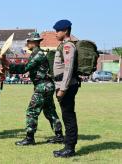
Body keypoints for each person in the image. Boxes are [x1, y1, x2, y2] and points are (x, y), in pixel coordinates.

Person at [8, 32, 63, 146]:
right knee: (50, 111)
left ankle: (29, 138)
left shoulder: (38, 54)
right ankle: (59, 136)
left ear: (34, 42)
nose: (27, 43)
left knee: (32, 111)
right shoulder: (36, 53)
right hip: (47, 86)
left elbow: (25, 68)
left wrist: (8, 66)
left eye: (29, 41)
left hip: (42, 86)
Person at [52, 20, 79, 158]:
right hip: (62, 85)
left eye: (58, 31)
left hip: (67, 86)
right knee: (66, 115)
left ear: (66, 31)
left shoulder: (68, 46)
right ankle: (68, 146)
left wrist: (63, 88)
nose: (55, 33)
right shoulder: (63, 45)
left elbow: (68, 69)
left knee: (68, 117)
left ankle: (70, 148)